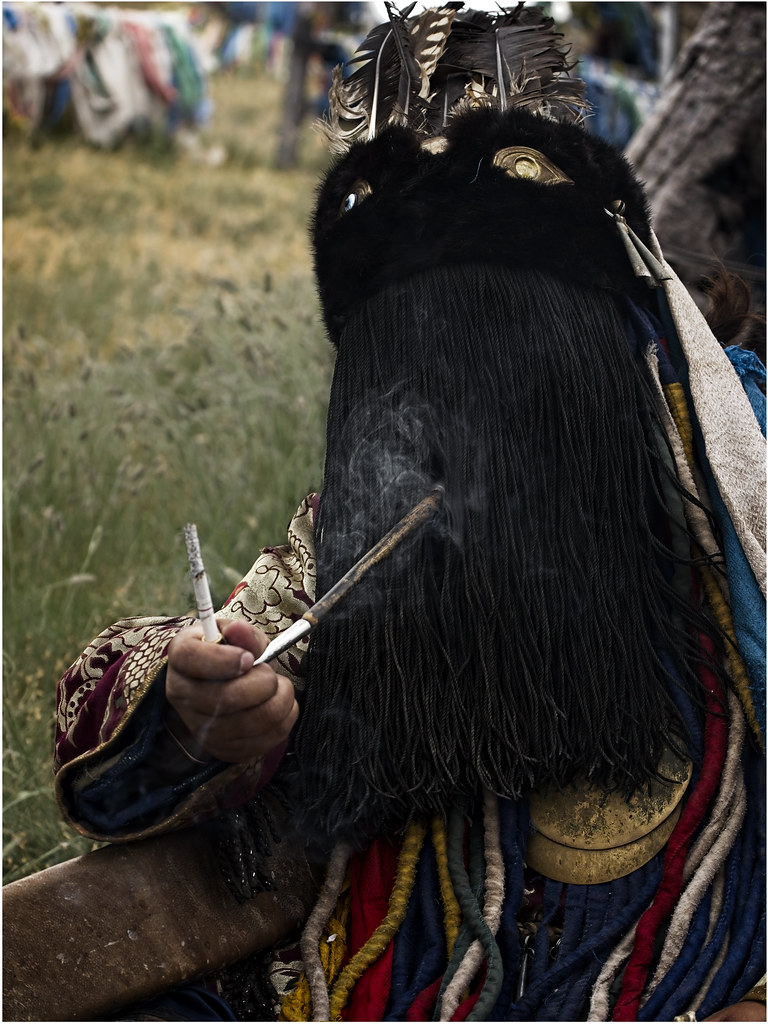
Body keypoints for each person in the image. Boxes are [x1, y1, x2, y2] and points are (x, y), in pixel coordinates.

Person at [54, 4, 765, 1021]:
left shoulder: (734, 528)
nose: (455, 440)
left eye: (504, 381)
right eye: (412, 397)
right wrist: (195, 708)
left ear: (605, 369)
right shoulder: (358, 541)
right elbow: (184, 673)